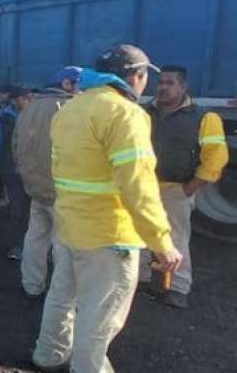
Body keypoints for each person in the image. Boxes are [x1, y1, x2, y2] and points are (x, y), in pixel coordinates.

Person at [32, 45, 183, 373]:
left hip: (70, 228)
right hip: (109, 236)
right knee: (98, 320)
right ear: (137, 76)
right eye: (146, 77)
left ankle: (48, 355)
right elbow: (138, 187)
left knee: (62, 298)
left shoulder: (69, 109)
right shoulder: (126, 114)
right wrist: (162, 243)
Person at [138, 65, 228, 309]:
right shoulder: (143, 113)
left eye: (170, 83)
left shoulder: (204, 118)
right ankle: (143, 278)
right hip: (144, 187)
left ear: (183, 87)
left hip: (176, 189)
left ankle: (178, 287)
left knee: (175, 239)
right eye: (160, 83)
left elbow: (216, 156)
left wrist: (192, 186)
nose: (163, 88)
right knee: (142, 235)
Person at [13, 66, 82, 299]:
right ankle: (61, 295)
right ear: (67, 84)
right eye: (80, 85)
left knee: (35, 236)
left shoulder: (29, 107)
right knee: (64, 246)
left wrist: (27, 176)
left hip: (34, 187)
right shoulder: (68, 108)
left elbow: (16, 145)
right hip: (60, 190)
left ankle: (31, 284)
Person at [0, 85, 33, 260]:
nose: (28, 101)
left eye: (29, 97)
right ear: (14, 100)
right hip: (12, 172)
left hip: (31, 171)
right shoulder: (1, 119)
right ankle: (17, 246)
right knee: (18, 210)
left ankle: (31, 246)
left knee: (33, 211)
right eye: (23, 98)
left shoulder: (33, 117)